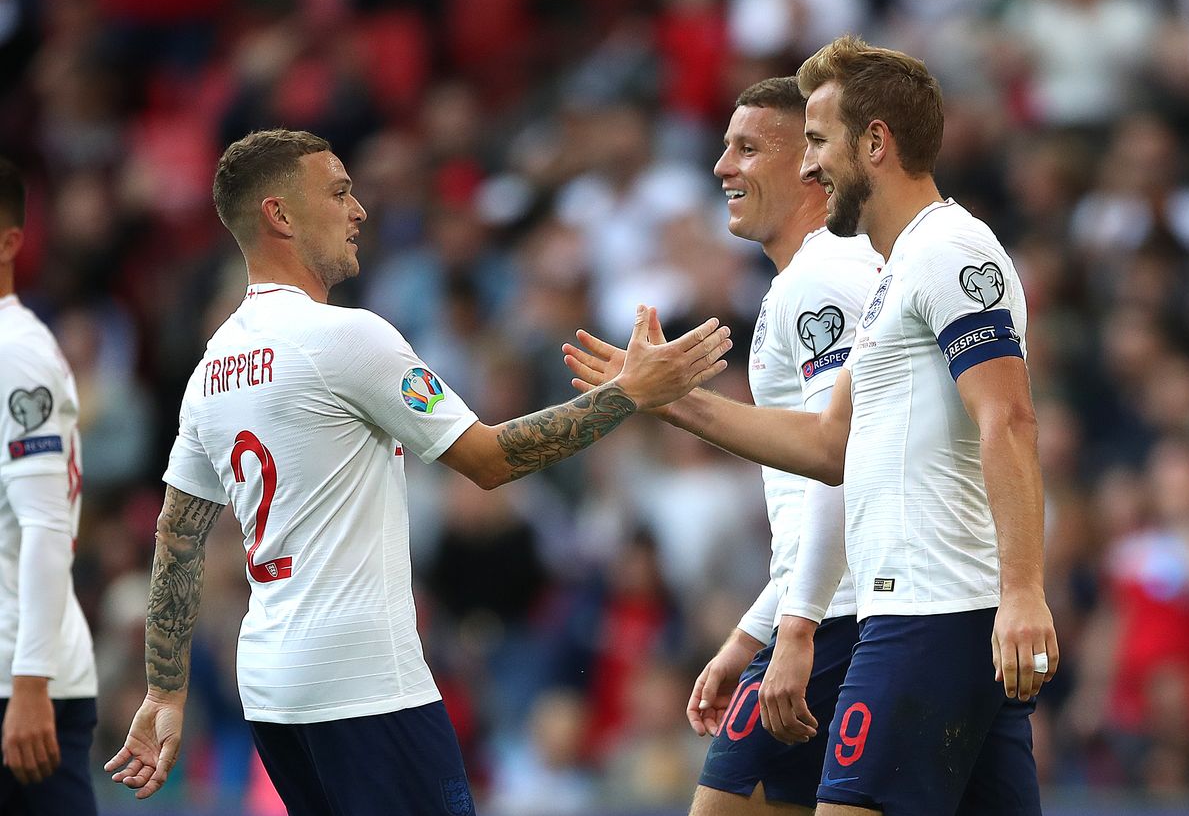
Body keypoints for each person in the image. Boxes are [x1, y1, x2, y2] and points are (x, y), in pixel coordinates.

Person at [101, 129, 731, 816]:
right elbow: (488, 459)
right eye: (339, 191)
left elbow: (178, 536)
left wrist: (164, 692)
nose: (360, 209)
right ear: (280, 215)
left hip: (273, 689)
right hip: (366, 682)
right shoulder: (347, 337)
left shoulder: (211, 369)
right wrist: (627, 393)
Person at [569, 37, 1059, 816]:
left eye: (820, 143)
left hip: (924, 609)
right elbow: (830, 448)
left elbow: (1010, 416)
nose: (811, 165)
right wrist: (662, 399)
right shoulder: (893, 270)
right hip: (911, 610)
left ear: (875, 143)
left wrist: (1024, 589)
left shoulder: (947, 250)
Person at [564, 77, 879, 815]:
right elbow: (820, 493)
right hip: (841, 609)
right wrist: (751, 633)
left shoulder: (822, 282)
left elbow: (839, 462)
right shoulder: (827, 274)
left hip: (845, 618)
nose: (720, 167)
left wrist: (792, 628)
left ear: (811, 165)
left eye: (745, 148)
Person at [0, 157, 98, 815]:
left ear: (9, 242)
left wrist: (29, 682)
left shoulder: (15, 352)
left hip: (21, 684)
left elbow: (46, 525)